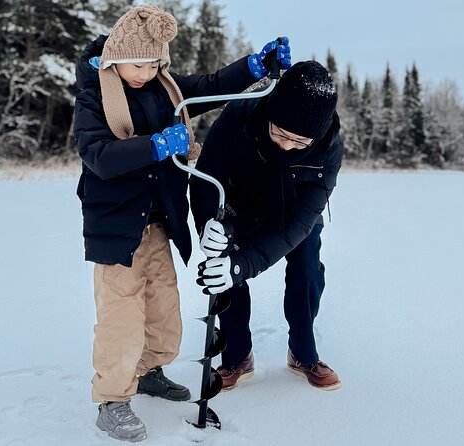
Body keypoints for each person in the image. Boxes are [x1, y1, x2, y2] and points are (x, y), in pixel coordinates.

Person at [72, 3, 291, 442]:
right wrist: (153, 146)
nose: (144, 72)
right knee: (121, 317)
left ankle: (148, 370)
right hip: (115, 227)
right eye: (137, 63)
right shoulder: (95, 94)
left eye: (154, 64)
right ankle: (112, 400)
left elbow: (208, 88)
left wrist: (254, 66)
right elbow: (96, 157)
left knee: (165, 314)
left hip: (155, 223)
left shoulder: (163, 87)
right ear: (117, 56)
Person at [190, 61, 343, 393]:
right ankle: (237, 356)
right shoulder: (239, 116)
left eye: (299, 141)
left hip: (296, 217)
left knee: (307, 270)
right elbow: (206, 178)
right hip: (241, 205)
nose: (286, 146)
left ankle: (303, 353)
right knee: (223, 267)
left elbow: (302, 222)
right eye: (279, 133)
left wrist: (245, 265)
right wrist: (207, 227)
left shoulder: (330, 146)